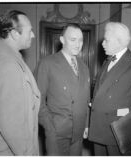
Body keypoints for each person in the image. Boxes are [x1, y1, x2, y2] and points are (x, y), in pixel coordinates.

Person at [88, 22, 131, 156]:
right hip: (99, 127)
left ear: (119, 42)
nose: (102, 44)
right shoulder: (107, 61)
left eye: (107, 40)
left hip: (118, 130)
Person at [36, 23, 90, 156]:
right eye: (73, 40)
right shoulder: (47, 63)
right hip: (57, 132)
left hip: (78, 132)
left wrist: (86, 124)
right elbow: (38, 100)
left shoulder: (84, 67)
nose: (78, 44)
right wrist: (49, 127)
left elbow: (86, 99)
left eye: (81, 40)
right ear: (62, 40)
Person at [0, 10, 40, 156]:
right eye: (30, 31)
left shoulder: (2, 54)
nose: (33, 35)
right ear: (14, 34)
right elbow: (12, 125)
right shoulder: (8, 64)